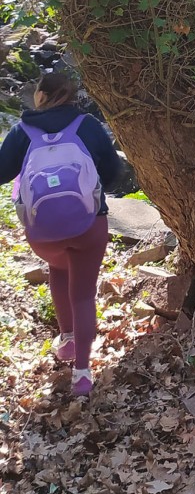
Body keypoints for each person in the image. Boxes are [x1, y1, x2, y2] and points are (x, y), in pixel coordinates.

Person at [0, 74, 121, 396]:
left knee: (57, 268)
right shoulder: (88, 125)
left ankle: (67, 340)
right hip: (88, 226)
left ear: (40, 95)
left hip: (43, 233)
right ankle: (82, 373)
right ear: (71, 95)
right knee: (83, 294)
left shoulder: (21, 131)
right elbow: (112, 174)